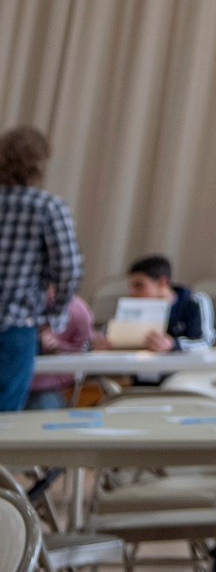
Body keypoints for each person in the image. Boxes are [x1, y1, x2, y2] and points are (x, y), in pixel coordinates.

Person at [0, 127, 80, 412]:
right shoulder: (48, 207)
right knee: (5, 413)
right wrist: (54, 315)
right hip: (16, 323)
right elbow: (68, 269)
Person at [125, 256, 214, 352]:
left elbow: (205, 343)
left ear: (162, 282)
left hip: (184, 364)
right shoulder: (134, 305)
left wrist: (174, 344)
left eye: (139, 285)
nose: (132, 293)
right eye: (131, 287)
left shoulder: (194, 301)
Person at [29, 293, 92, 409]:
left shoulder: (78, 309)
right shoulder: (16, 307)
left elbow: (83, 350)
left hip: (50, 387)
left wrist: (58, 346)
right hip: (13, 382)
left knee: (45, 407)